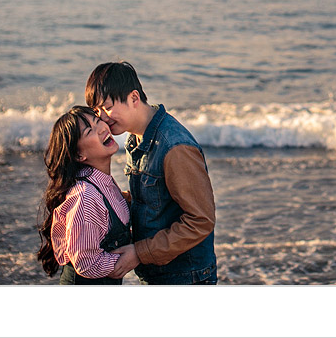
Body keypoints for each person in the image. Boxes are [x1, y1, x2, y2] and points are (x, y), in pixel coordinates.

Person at [85, 61, 218, 285]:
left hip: (187, 277)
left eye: (106, 107)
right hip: (159, 273)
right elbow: (152, 199)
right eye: (96, 111)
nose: (102, 118)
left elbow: (201, 220)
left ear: (134, 98)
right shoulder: (136, 135)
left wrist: (140, 253)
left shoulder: (176, 147)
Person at [37, 105, 131, 284]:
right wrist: (130, 258)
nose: (102, 128)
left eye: (98, 121)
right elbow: (85, 261)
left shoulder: (104, 182)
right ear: (79, 155)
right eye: (90, 131)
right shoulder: (85, 197)